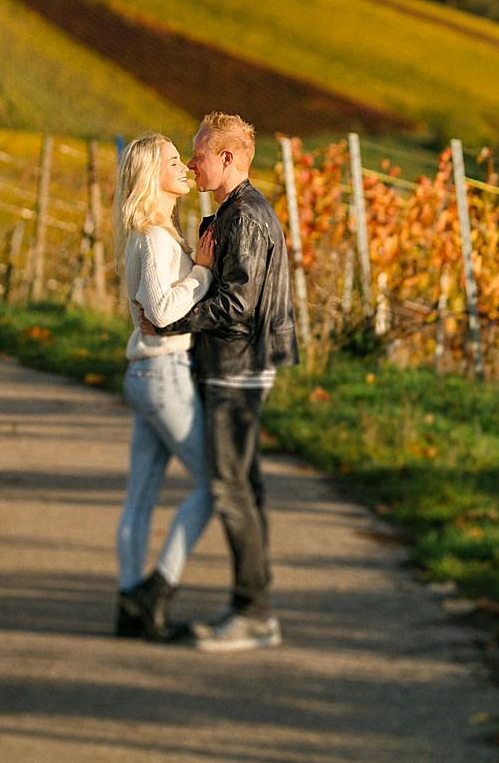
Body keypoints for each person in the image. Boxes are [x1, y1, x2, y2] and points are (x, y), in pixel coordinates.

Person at [138, 111, 298, 653]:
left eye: (199, 153)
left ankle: (253, 613)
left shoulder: (244, 217)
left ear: (227, 158)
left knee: (231, 488)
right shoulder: (231, 213)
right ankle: (254, 607)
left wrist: (169, 320)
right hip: (237, 367)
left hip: (237, 370)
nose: (191, 162)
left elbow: (236, 304)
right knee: (242, 487)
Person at [112, 133, 215, 642]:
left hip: (149, 374)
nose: (186, 168)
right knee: (216, 483)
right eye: (175, 161)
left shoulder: (154, 232)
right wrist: (203, 272)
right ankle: (158, 589)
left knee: (141, 496)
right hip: (162, 376)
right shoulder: (152, 235)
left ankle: (131, 604)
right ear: (153, 175)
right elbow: (161, 311)